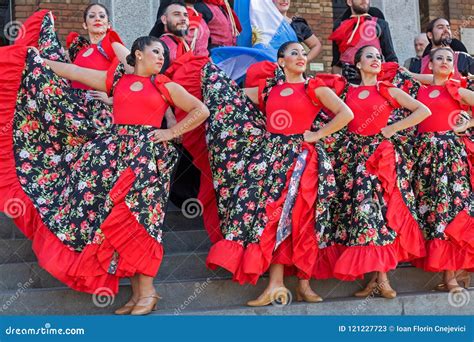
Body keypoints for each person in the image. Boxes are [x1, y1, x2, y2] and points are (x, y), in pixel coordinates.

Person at [0, 10, 209, 315]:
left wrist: (170, 132)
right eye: (155, 52)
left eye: (163, 53)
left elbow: (199, 110)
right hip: (114, 156)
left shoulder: (165, 85)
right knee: (118, 220)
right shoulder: (116, 81)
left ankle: (148, 292)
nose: (162, 57)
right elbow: (71, 73)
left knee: (144, 222)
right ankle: (138, 295)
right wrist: (36, 60)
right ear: (138, 54)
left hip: (148, 162)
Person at [205, 41, 354, 306]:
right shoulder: (268, 89)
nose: (301, 56)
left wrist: (318, 134)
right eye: (294, 52)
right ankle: (275, 285)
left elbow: (346, 113)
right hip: (270, 161)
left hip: (302, 159)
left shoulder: (314, 86)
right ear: (281, 61)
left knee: (302, 218)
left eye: (304, 53)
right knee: (272, 219)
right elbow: (230, 98)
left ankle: (303, 284)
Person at [328, 45, 431, 298]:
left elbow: (423, 111)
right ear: (358, 64)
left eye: (379, 57)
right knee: (363, 214)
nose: (376, 60)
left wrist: (393, 128)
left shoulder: (387, 89)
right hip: (353, 158)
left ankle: (383, 279)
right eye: (369, 57)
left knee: (378, 212)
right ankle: (374, 278)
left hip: (381, 157)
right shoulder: (345, 91)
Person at [410, 47, 474, 292]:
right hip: (424, 158)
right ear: (429, 63)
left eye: (450, 59)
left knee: (449, 212)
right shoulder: (419, 92)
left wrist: (468, 123)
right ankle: (448, 273)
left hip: (450, 156)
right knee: (431, 214)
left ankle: (452, 278)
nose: (445, 62)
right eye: (440, 58)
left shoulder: (457, 90)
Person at [330, 0, 398, 83]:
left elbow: (391, 58)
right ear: (349, 2)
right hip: (349, 84)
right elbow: (336, 64)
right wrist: (341, 87)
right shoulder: (339, 27)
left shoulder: (380, 24)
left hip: (375, 83)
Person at [410, 18, 474, 80]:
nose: (446, 30)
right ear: (430, 35)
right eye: (440, 27)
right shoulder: (418, 65)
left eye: (448, 28)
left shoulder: (463, 59)